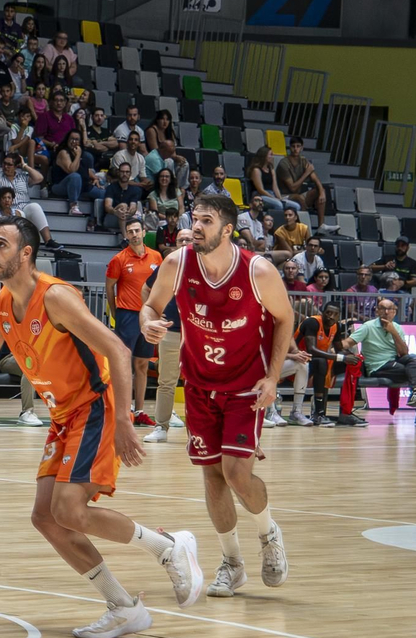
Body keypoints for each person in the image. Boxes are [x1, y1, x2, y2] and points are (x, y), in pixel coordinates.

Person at [0, 216, 202, 638]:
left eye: (1, 245)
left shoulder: (56, 297)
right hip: (62, 415)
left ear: (25, 253)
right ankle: (123, 607)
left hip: (95, 406)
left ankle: (169, 548)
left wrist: (123, 421)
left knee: (69, 510)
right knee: (45, 517)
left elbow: (117, 349)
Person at [142, 194, 295, 598]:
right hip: (199, 385)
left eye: (206, 221)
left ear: (228, 230)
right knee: (212, 476)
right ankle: (232, 563)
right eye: (194, 218)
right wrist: (147, 323)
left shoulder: (257, 271)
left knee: (236, 474)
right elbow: (150, 307)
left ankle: (269, 534)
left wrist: (273, 377)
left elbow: (285, 318)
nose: (196, 226)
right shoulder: (177, 264)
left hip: (247, 386)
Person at [341, 297, 416, 426]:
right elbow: (348, 342)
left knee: (413, 358)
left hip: (394, 361)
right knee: (414, 373)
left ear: (395, 312)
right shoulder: (368, 326)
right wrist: (333, 348)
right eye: (383, 309)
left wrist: (393, 332)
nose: (386, 312)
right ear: (377, 311)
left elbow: (403, 353)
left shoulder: (397, 327)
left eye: (390, 309)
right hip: (377, 366)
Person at [106, 221, 162, 427]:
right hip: (127, 316)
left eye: (137, 230)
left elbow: (161, 285)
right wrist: (115, 312)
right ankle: (123, 409)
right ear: (126, 235)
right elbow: (109, 287)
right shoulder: (118, 259)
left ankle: (139, 411)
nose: (134, 234)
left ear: (144, 232)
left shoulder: (156, 257)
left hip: (148, 316)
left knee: (142, 364)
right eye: (130, 232)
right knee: (123, 363)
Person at [141, 227, 192, 444]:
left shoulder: (205, 266)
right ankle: (161, 427)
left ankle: (198, 431)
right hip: (170, 331)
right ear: (175, 243)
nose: (185, 243)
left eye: (188, 239)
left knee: (199, 384)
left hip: (197, 333)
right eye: (181, 240)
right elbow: (146, 289)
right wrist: (153, 314)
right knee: (166, 382)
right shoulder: (169, 265)